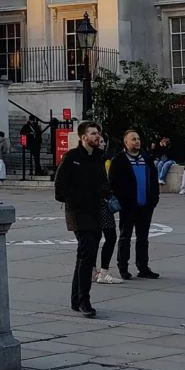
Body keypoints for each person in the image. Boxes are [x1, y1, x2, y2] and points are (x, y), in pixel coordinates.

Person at [54, 119, 106, 318]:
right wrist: (74, 199)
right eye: (93, 134)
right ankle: (84, 300)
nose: (97, 137)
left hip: (95, 211)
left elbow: (102, 182)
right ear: (83, 137)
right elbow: (59, 186)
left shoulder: (99, 156)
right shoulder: (72, 157)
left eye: (98, 133)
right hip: (78, 213)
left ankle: (76, 299)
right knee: (86, 253)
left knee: (86, 255)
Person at [109, 129, 160, 280]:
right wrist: (121, 200)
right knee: (125, 237)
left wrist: (154, 199)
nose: (137, 141)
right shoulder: (119, 160)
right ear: (126, 142)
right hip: (128, 206)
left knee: (143, 237)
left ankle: (143, 267)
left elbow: (154, 180)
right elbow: (112, 183)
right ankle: (123, 267)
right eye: (133, 139)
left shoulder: (146, 158)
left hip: (145, 205)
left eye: (138, 139)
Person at [95, 135, 123, 285]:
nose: (103, 144)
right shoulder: (96, 160)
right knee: (110, 236)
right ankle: (103, 272)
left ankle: (94, 270)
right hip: (101, 204)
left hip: (98, 203)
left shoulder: (100, 159)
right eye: (100, 141)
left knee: (96, 238)